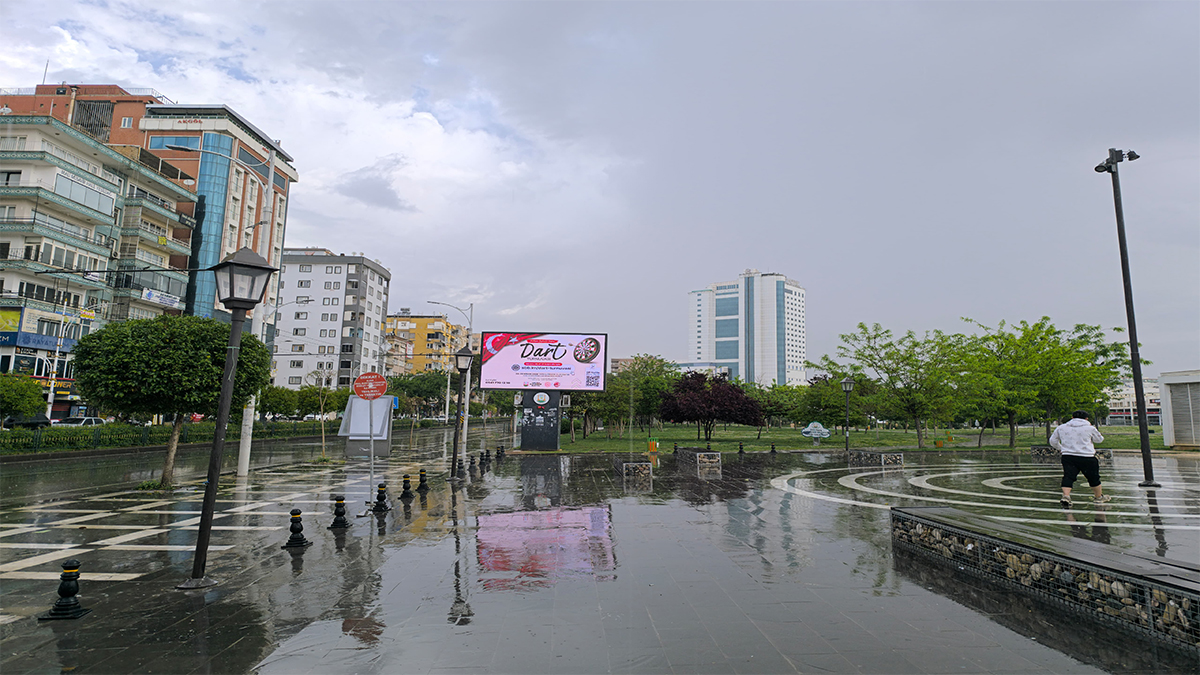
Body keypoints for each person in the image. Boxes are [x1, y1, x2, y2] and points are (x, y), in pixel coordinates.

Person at [1050, 410, 1110, 507]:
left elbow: (1053, 441)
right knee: (1093, 477)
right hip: (1087, 456)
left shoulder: (1062, 427)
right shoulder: (1090, 428)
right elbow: (1099, 440)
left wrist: (1062, 448)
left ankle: (1066, 496)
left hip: (1068, 456)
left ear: (1072, 417)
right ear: (1086, 419)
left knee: (1068, 476)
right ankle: (1098, 497)